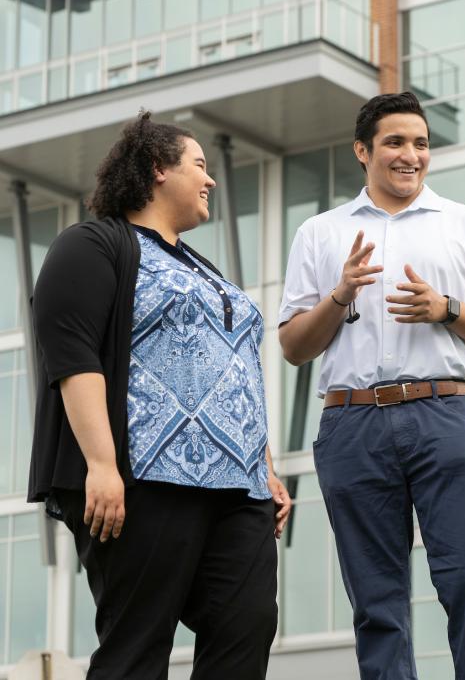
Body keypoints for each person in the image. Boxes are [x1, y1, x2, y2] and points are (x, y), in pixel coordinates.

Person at [27, 111, 291, 680]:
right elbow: (73, 358)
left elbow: (233, 368)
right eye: (199, 165)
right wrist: (101, 464)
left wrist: (263, 465)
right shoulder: (93, 245)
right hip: (144, 480)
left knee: (247, 626)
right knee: (138, 644)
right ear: (156, 169)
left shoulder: (204, 269)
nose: (211, 179)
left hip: (238, 489)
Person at [278, 91, 465, 680]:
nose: (410, 154)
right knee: (376, 602)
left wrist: (446, 308)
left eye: (420, 143)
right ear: (363, 151)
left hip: (446, 417)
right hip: (352, 424)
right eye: (394, 142)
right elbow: (292, 347)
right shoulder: (320, 233)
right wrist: (340, 296)